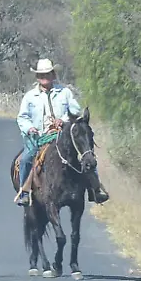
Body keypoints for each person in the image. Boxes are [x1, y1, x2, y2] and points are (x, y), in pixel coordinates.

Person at [13, 58, 108, 206]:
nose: (45, 77)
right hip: (38, 136)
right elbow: (22, 117)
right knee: (26, 158)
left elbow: (75, 110)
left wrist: (63, 120)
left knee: (86, 155)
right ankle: (24, 192)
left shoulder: (64, 92)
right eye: (41, 75)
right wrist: (30, 128)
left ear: (53, 75)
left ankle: (95, 189)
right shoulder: (30, 97)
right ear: (37, 77)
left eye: (48, 74)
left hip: (62, 134)